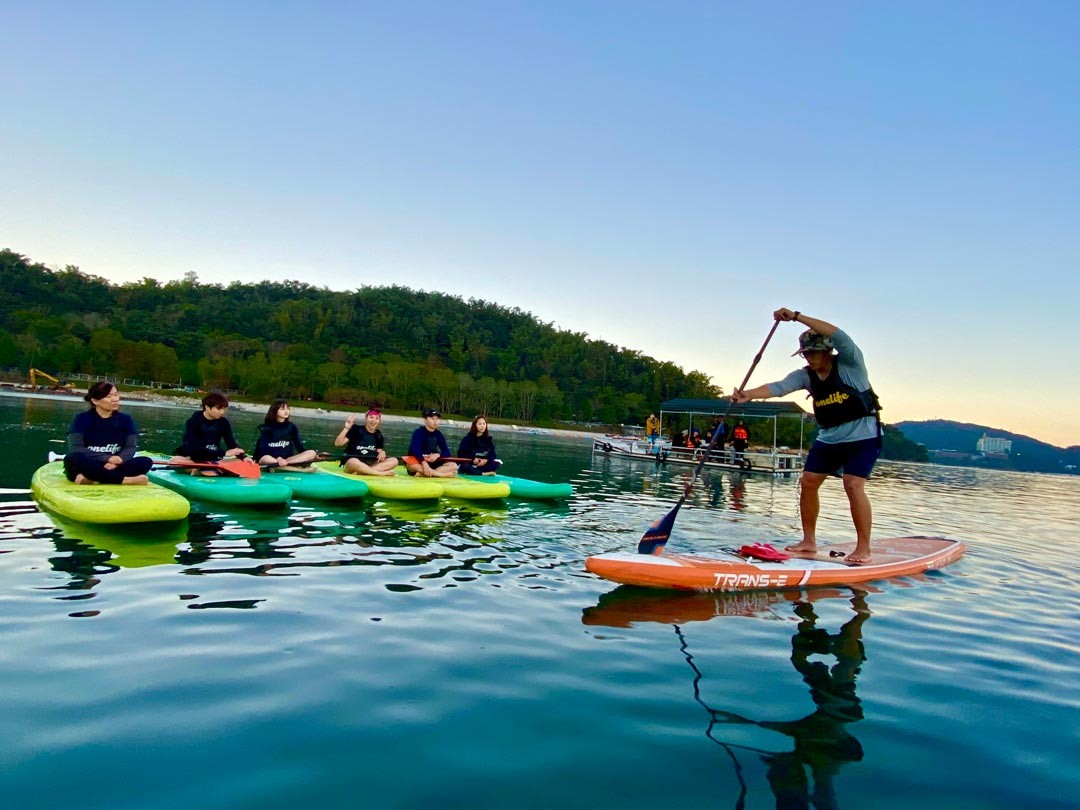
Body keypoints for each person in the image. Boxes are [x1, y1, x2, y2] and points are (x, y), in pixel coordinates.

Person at [733, 309, 882, 564]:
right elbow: (779, 387)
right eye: (805, 353)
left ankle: (863, 548)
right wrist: (749, 394)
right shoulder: (805, 376)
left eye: (813, 353)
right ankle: (809, 541)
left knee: (853, 484)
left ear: (827, 351)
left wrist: (797, 317)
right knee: (808, 481)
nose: (809, 358)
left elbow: (839, 334)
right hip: (830, 438)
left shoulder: (851, 364)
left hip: (863, 436)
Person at [63, 381, 153, 485]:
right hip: (91, 463)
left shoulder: (125, 419)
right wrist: (107, 458)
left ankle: (93, 478)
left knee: (145, 461)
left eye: (116, 395)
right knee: (73, 458)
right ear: (95, 401)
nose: (115, 399)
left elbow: (130, 447)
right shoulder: (81, 418)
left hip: (116, 464)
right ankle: (126, 480)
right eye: (109, 396)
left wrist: (119, 459)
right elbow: (76, 448)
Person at [172, 391, 247, 463]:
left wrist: (243, 457)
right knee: (176, 460)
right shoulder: (193, 421)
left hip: (214, 457)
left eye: (223, 409)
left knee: (240, 461)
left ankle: (203, 470)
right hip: (193, 457)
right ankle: (200, 469)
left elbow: (232, 444)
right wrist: (224, 453)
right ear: (207, 407)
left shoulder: (224, 422)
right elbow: (191, 447)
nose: (222, 412)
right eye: (219, 409)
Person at [255, 400, 319, 471]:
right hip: (271, 459)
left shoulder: (291, 427)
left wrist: (314, 455)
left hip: (287, 460)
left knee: (311, 453)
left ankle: (281, 466)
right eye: (282, 409)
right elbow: (263, 449)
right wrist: (278, 459)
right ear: (274, 411)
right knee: (266, 458)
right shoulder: (265, 428)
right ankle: (299, 470)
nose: (286, 411)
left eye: (287, 409)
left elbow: (299, 445)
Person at [334, 408, 398, 476]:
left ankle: (364, 471)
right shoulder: (356, 429)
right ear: (366, 418)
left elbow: (379, 451)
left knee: (394, 460)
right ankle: (379, 473)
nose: (374, 420)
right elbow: (338, 443)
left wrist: (382, 452)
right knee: (353, 461)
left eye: (377, 418)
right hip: (352, 463)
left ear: (379, 421)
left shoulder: (379, 434)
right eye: (371, 417)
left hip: (370, 463)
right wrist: (346, 428)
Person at [405, 408, 458, 478]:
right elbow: (415, 450)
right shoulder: (418, 432)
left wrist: (438, 455)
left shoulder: (439, 434)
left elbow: (446, 451)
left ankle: (426, 474)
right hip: (419, 462)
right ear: (425, 420)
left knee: (453, 465)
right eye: (432, 419)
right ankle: (441, 474)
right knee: (411, 465)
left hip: (432, 463)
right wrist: (423, 462)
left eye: (437, 419)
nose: (435, 421)